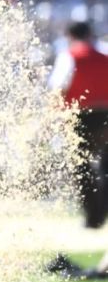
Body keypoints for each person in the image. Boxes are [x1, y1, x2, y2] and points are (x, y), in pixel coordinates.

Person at [48, 21, 108, 228]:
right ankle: (102, 211)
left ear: (70, 36)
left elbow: (58, 87)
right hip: (106, 113)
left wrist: (56, 115)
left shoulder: (69, 55)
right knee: (105, 166)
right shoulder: (105, 52)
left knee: (82, 167)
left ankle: (93, 217)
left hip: (81, 115)